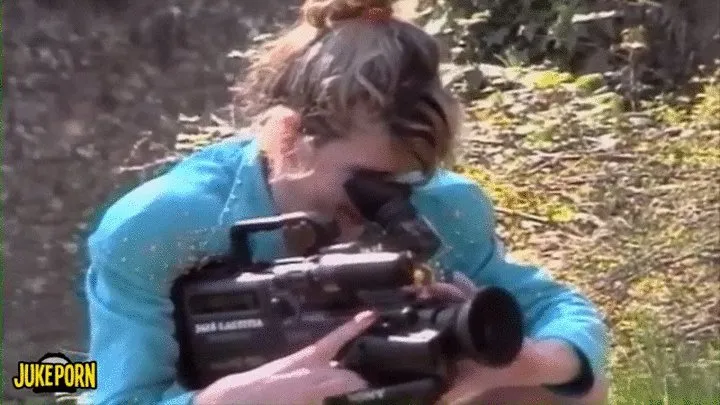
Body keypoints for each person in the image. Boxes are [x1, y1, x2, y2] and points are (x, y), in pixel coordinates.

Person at [83, 0, 610, 404]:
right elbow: (120, 395)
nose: (393, 206)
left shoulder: (445, 205)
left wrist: (530, 362)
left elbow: (559, 309)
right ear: (290, 137)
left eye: (408, 182)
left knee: (568, 384)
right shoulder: (162, 225)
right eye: (368, 181)